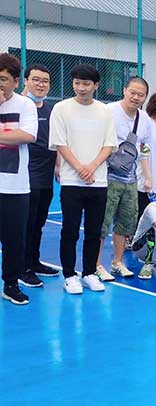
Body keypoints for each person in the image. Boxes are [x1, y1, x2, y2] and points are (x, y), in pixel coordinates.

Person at [49, 64, 117, 294]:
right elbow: (60, 143)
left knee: (94, 230)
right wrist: (80, 168)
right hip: (72, 181)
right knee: (69, 230)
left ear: (96, 85)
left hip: (98, 182)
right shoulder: (61, 109)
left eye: (86, 83)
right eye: (77, 83)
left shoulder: (105, 111)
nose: (81, 87)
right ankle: (69, 275)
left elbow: (109, 144)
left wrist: (92, 167)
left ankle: (89, 273)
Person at [96, 76, 152, 282]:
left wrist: (147, 175)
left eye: (141, 95)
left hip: (130, 179)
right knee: (102, 222)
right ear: (124, 90)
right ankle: (96, 264)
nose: (136, 97)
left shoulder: (144, 119)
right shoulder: (107, 111)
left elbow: (144, 148)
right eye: (133, 93)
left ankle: (117, 262)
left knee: (126, 222)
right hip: (107, 176)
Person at [0, 53, 38, 305]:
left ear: (15, 81)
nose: (0, 84)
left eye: (4, 79)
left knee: (14, 240)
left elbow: (28, 135)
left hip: (15, 186)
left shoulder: (25, 105)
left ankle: (10, 284)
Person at [19, 63, 59, 288]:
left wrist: (58, 165)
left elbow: (57, 140)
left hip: (46, 176)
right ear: (26, 81)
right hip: (24, 176)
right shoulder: (18, 106)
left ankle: (34, 261)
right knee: (26, 223)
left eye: (45, 81)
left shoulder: (51, 110)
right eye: (35, 79)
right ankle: (22, 268)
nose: (40, 84)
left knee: (39, 222)